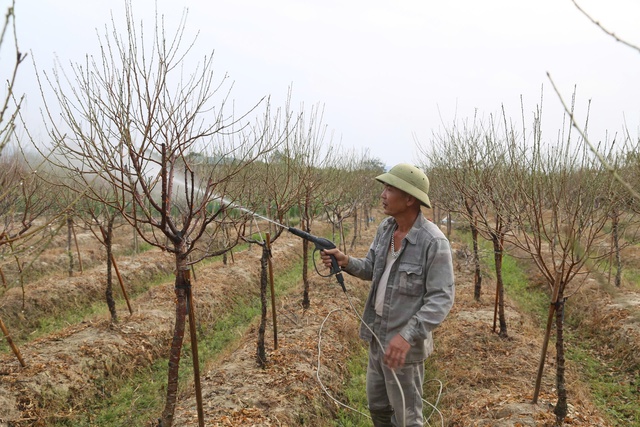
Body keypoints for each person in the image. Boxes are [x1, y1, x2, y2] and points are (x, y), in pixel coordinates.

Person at [321, 163, 455, 427]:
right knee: (379, 408)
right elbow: (372, 267)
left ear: (409, 199)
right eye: (384, 188)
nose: (382, 194)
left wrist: (406, 337)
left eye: (390, 189)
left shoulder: (434, 243)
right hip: (377, 336)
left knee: (408, 418)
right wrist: (345, 261)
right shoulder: (385, 229)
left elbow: (441, 299)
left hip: (404, 348)